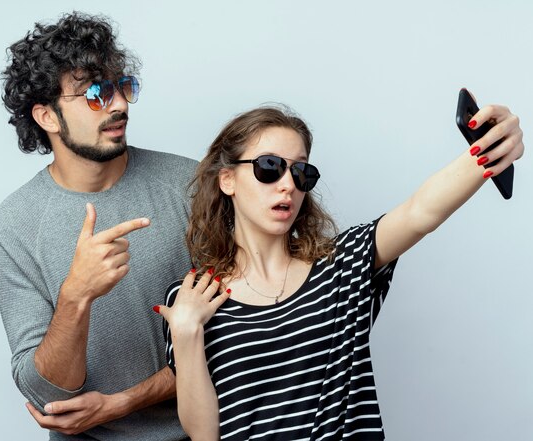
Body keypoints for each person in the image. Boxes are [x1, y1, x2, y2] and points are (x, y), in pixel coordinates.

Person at [156, 104, 524, 440]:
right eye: (268, 167)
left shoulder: (341, 266)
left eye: (300, 171)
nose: (287, 183)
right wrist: (186, 333)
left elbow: (419, 213)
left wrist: (488, 150)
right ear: (228, 180)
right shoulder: (192, 298)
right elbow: (204, 434)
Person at [0, 12, 196, 440]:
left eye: (123, 87)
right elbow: (46, 394)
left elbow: (243, 334)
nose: (118, 104)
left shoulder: (192, 186)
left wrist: (124, 401)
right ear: (46, 117)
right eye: (94, 94)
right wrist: (76, 296)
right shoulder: (12, 227)